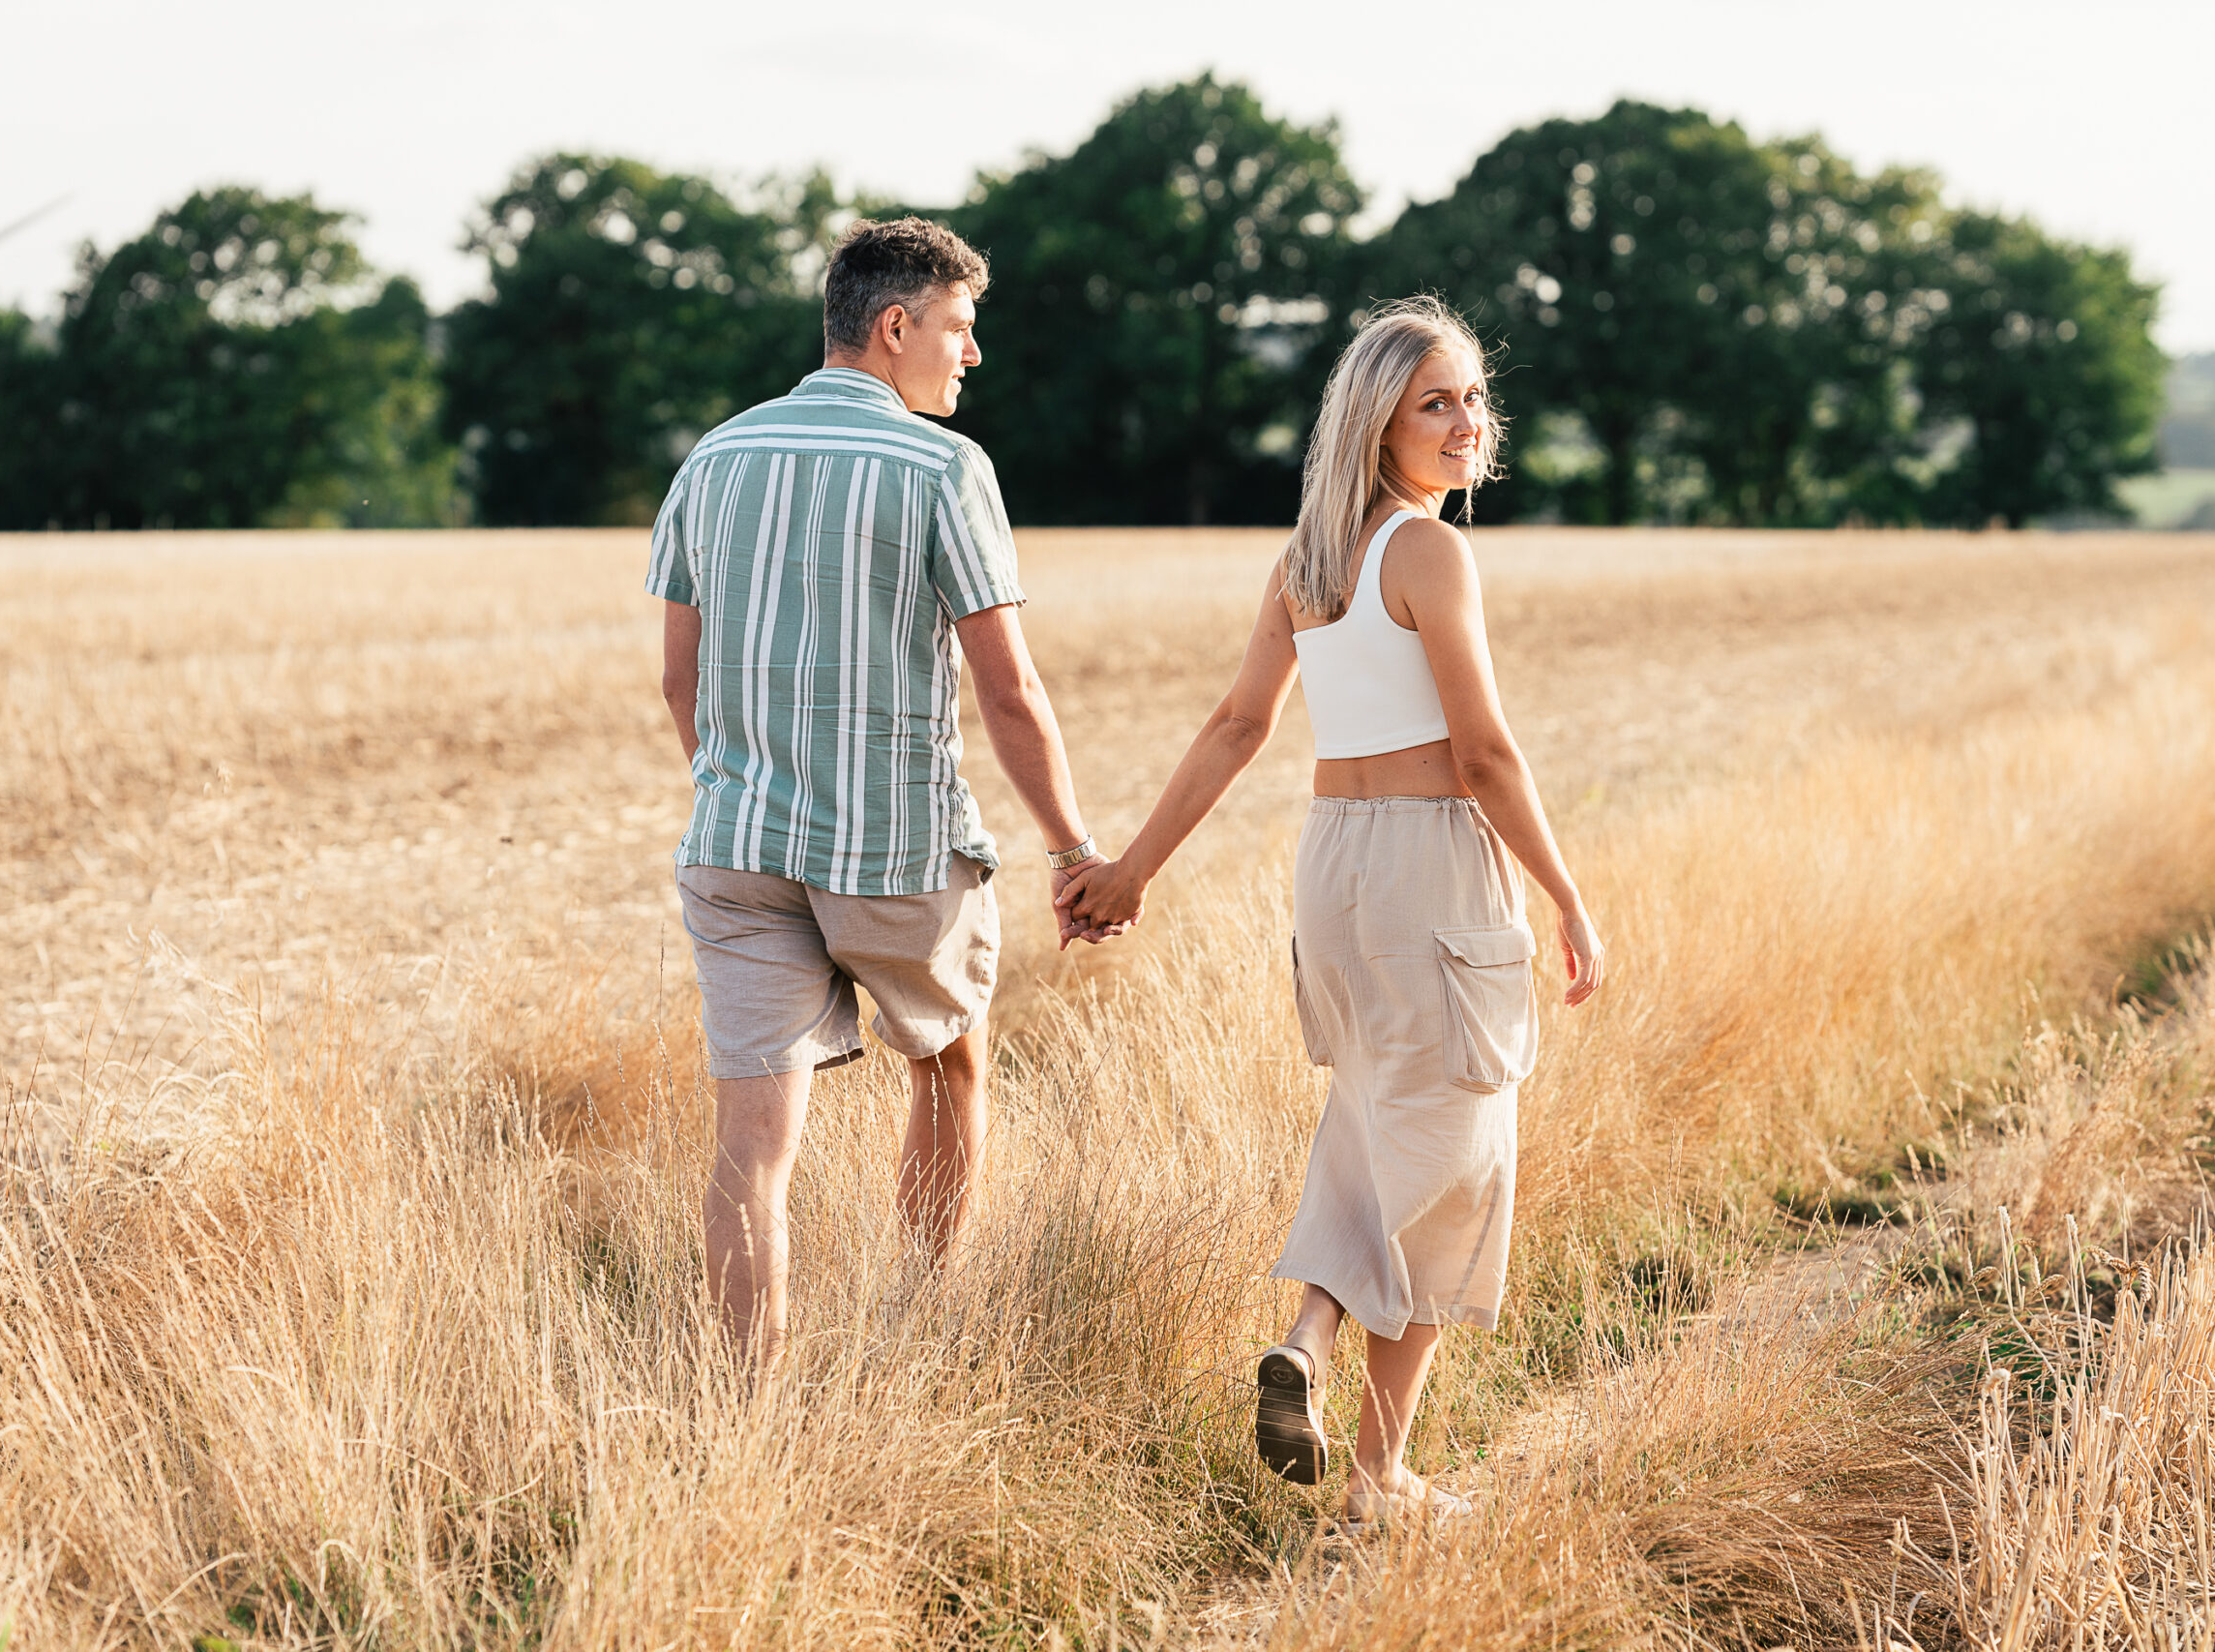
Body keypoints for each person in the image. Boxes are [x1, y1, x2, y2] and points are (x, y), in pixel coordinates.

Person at [1057, 296, 1607, 1531]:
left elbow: (1238, 728)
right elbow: (1485, 754)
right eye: (1437, 402)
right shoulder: (1425, 549)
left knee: (1373, 1128)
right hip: (1428, 863)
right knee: (1455, 1159)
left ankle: (1340, 1401)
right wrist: (1566, 892)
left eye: (1473, 394)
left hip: (1334, 866)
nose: (1469, 420)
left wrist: (1132, 871)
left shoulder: (1308, 556)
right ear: (1378, 423)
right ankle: (1350, 1421)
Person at [647, 216, 1118, 1371]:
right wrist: (1071, 849)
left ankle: (741, 1405)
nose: (972, 355)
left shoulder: (712, 457)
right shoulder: (943, 467)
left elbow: (679, 678)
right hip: (897, 851)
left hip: (736, 846)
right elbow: (1007, 690)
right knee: (952, 1062)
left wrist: (746, 786)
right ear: (894, 325)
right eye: (958, 329)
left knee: (752, 1146)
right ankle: (923, 1328)